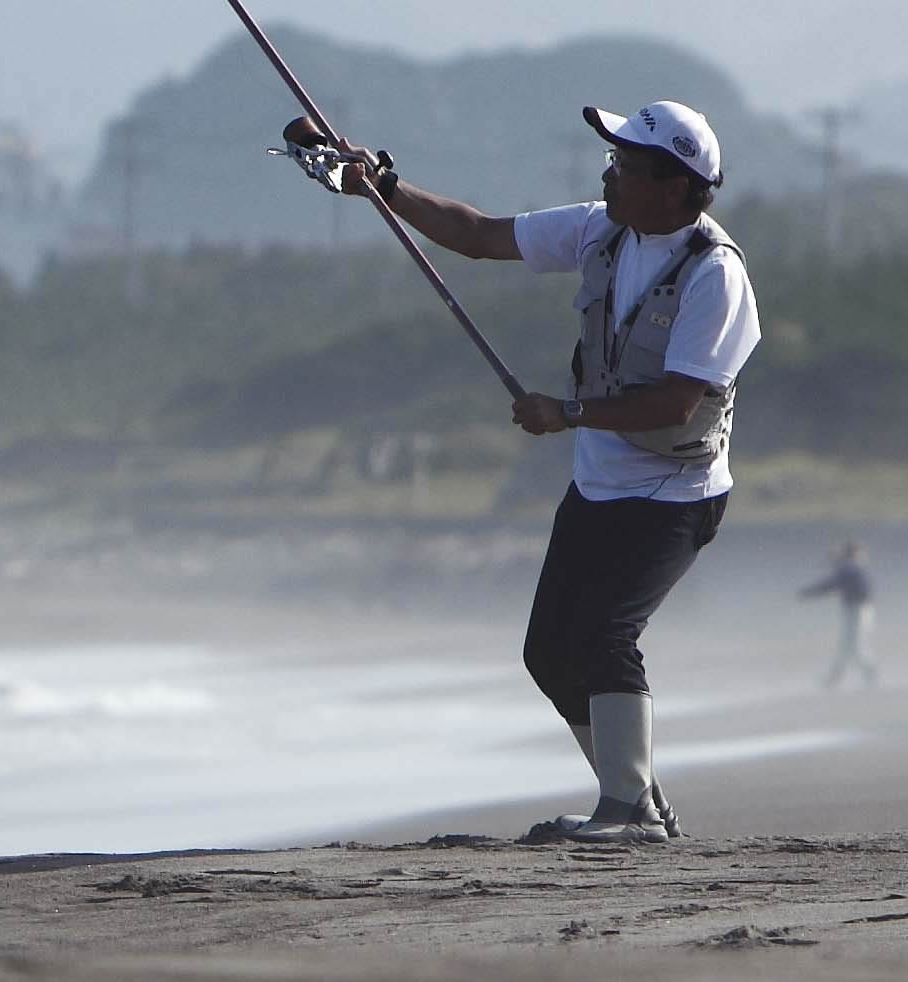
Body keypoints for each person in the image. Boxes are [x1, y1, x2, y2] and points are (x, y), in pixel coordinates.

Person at [316, 100, 759, 844]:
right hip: (599, 484)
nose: (609, 173)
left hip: (676, 493)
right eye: (612, 158)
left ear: (678, 187)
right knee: (550, 651)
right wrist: (384, 187)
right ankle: (638, 796)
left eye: (626, 164)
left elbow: (677, 401)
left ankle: (625, 808)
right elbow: (481, 234)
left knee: (607, 633)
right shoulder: (600, 227)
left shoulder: (716, 276)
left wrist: (569, 413)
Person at [801, 539, 878, 688]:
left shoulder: (850, 568)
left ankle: (869, 675)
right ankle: (837, 677)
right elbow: (837, 582)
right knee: (849, 646)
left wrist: (807, 593)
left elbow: (831, 584)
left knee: (854, 647)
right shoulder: (853, 568)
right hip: (859, 611)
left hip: (858, 611)